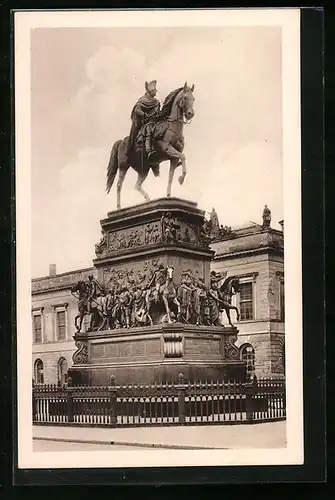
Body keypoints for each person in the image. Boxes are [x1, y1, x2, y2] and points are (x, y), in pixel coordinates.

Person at [127, 80, 160, 161]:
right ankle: (149, 151)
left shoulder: (156, 102)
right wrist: (144, 115)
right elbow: (137, 109)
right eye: (154, 90)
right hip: (144, 122)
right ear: (150, 91)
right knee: (149, 128)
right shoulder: (143, 100)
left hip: (154, 122)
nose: (156, 92)